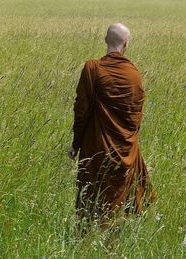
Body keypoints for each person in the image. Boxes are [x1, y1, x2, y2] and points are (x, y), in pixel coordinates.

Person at [67, 23, 156, 230]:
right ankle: (112, 242)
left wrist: (76, 144)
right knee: (118, 204)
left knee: (90, 202)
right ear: (126, 43)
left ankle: (85, 241)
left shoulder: (92, 69)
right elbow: (137, 116)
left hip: (95, 148)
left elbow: (81, 111)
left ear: (105, 40)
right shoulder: (134, 74)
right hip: (126, 152)